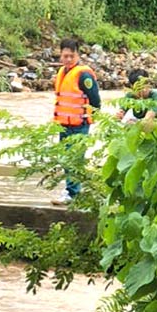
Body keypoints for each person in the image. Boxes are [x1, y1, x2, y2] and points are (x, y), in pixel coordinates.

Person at [53, 37, 100, 199]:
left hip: (79, 124)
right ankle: (71, 190)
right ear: (60, 55)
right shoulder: (62, 72)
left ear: (77, 55)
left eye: (70, 56)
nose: (67, 59)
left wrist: (92, 117)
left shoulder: (84, 75)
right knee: (65, 159)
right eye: (64, 56)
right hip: (63, 124)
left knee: (75, 159)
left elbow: (95, 99)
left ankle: (73, 193)